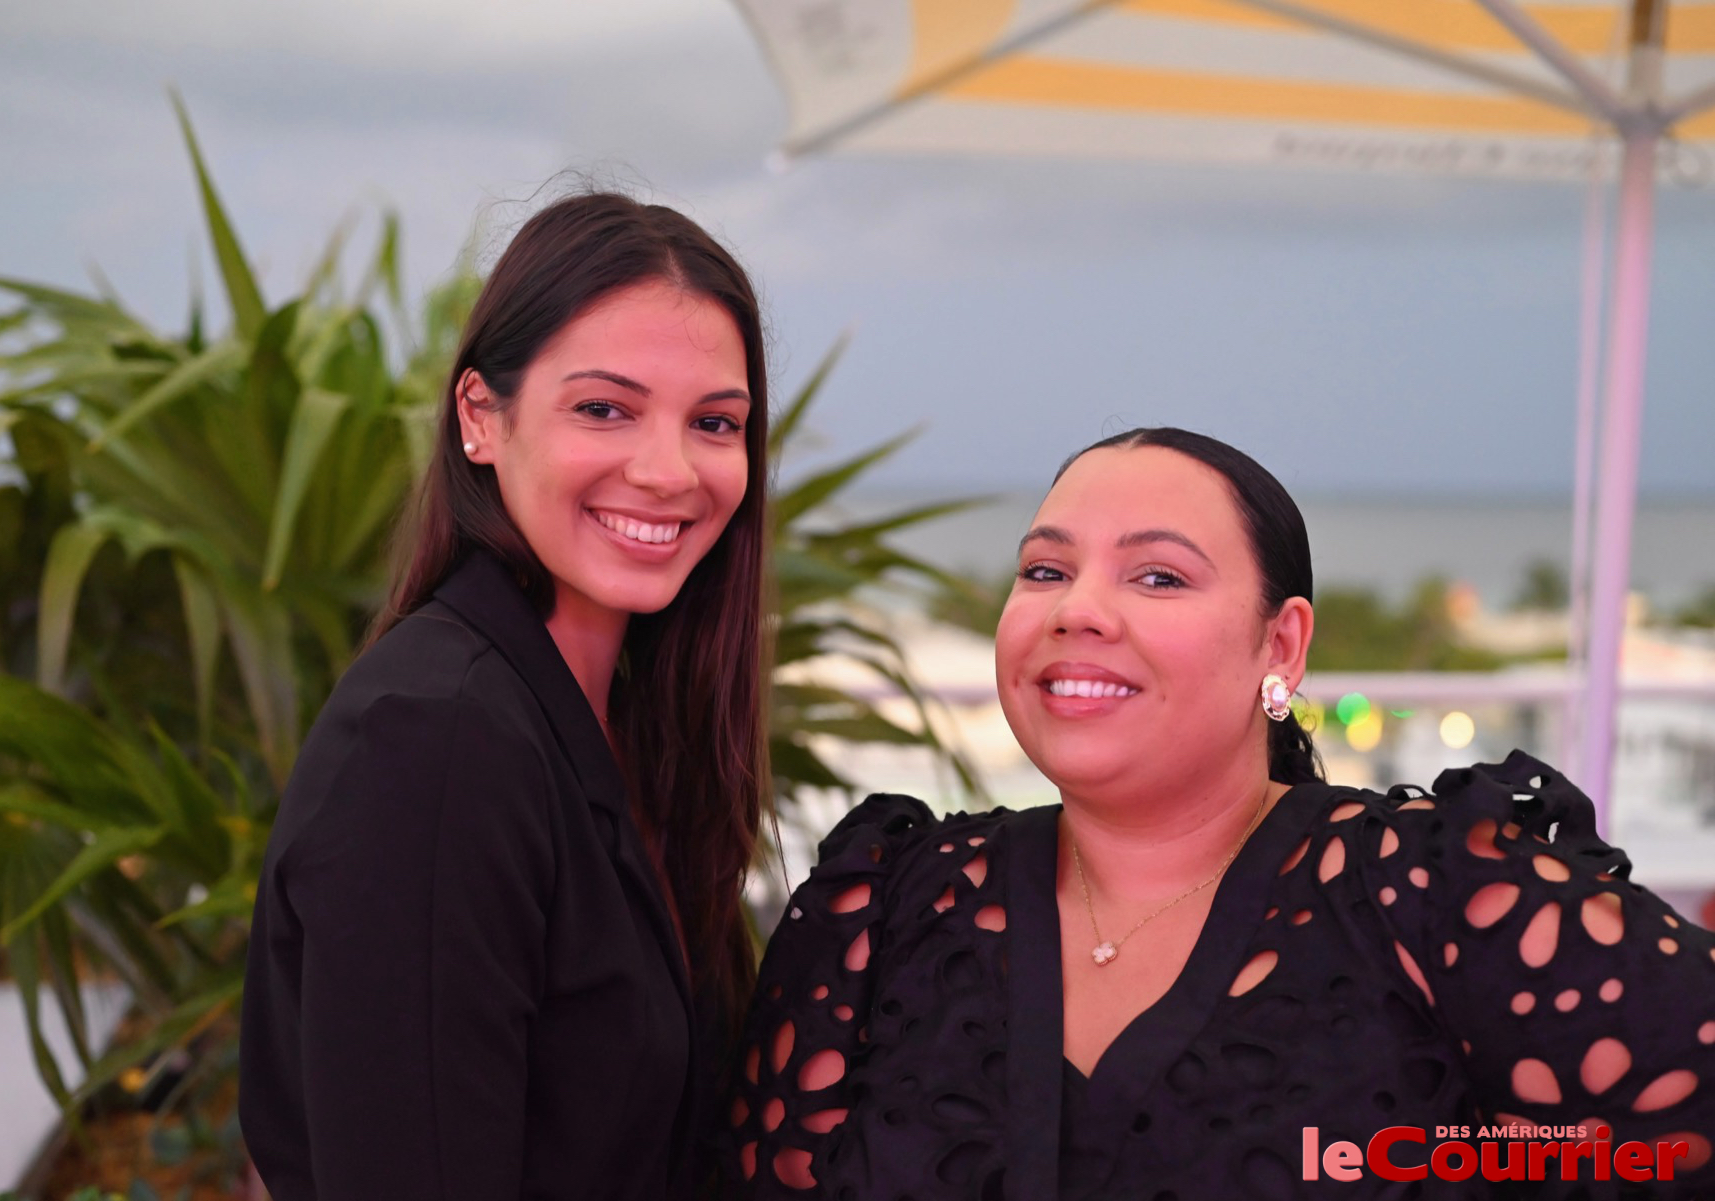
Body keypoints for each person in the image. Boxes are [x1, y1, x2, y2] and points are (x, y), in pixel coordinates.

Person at [728, 428, 1715, 1199]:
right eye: (1044, 570)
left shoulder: (1437, 895)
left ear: (1280, 647)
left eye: (1158, 575)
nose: (1078, 608)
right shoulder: (889, 906)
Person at [240, 192, 770, 1201]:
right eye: (604, 408)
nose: (668, 471)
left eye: (715, 422)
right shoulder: (437, 739)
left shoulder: (625, 728)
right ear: (481, 416)